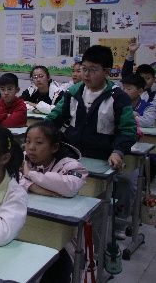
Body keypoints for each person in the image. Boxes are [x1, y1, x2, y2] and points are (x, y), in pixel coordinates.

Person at [46, 45, 137, 239]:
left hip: (101, 161)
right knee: (65, 203)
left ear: (107, 72)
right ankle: (69, 241)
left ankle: (97, 247)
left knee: (97, 207)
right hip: (71, 158)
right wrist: (39, 136)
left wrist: (118, 151)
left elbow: (127, 130)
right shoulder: (73, 92)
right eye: (84, 69)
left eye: (93, 70)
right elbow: (54, 119)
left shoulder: (118, 97)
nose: (86, 74)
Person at [20, 121, 88, 283]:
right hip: (28, 226)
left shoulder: (70, 164)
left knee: (57, 265)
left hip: (61, 235)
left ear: (54, 147)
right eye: (28, 141)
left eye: (39, 143)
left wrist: (30, 174)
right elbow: (10, 180)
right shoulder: (21, 158)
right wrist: (35, 187)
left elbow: (69, 187)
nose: (31, 148)